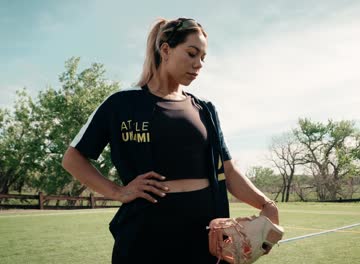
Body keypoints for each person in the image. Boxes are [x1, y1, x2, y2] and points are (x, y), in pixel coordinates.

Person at [62, 17, 279, 263]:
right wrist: (118, 192)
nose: (198, 64)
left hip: (206, 235)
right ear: (165, 50)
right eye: (191, 53)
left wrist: (266, 203)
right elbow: (72, 158)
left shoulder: (205, 110)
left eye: (203, 58)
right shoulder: (122, 104)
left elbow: (228, 170)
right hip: (145, 235)